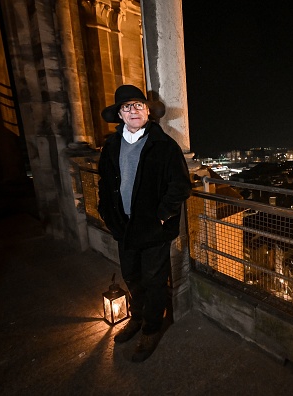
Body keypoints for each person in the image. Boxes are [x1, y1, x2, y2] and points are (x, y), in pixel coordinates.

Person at [97, 85, 192, 362]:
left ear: (148, 111)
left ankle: (151, 328)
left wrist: (161, 216)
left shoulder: (163, 145)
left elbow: (180, 186)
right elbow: (105, 182)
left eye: (138, 105)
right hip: (123, 227)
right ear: (120, 115)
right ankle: (136, 318)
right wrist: (107, 212)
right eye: (127, 107)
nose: (133, 110)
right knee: (131, 276)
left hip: (153, 230)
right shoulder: (111, 145)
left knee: (153, 280)